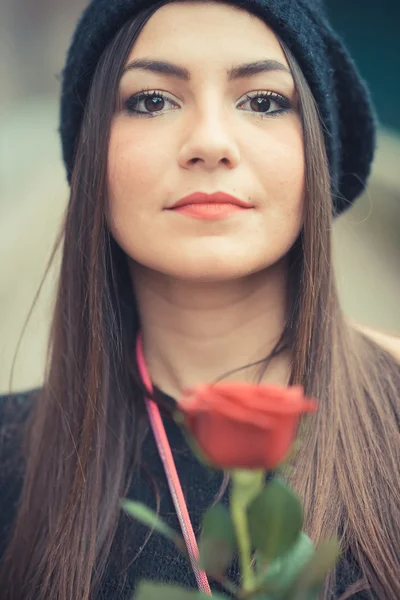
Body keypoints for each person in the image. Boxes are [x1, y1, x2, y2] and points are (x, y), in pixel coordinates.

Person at [0, 1, 399, 599]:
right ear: (92, 156)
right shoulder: (11, 464)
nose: (210, 143)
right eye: (152, 101)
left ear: (317, 149)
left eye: (264, 101)